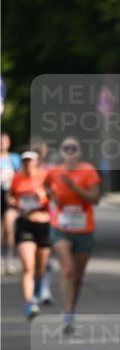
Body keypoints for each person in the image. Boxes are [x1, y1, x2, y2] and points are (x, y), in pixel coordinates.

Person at [44, 137, 101, 334]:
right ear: (61, 152)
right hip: (61, 227)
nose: (69, 151)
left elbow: (95, 199)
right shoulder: (54, 171)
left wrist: (74, 187)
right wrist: (52, 196)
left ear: (79, 152)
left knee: (77, 277)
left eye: (73, 148)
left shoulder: (88, 171)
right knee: (68, 270)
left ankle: (71, 310)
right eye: (66, 148)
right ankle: (67, 315)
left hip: (84, 230)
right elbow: (45, 186)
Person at [7, 150, 51, 319]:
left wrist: (44, 198)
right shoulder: (17, 177)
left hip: (43, 223)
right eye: (24, 160)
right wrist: (14, 202)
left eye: (30, 160)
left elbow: (55, 196)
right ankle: (29, 304)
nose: (27, 163)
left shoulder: (45, 176)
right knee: (28, 266)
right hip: (25, 223)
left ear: (37, 162)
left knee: (40, 267)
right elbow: (10, 196)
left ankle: (37, 291)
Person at [31, 137, 55, 304]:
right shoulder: (25, 170)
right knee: (33, 255)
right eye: (36, 152)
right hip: (29, 217)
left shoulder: (49, 170)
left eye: (41, 152)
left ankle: (44, 289)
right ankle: (36, 288)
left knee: (46, 254)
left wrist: (47, 192)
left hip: (48, 216)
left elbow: (55, 192)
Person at [1, 132, 22, 275]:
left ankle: (9, 258)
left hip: (10, 196)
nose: (2, 144)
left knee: (9, 228)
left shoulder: (14, 158)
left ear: (9, 143)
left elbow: (21, 176)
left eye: (4, 141)